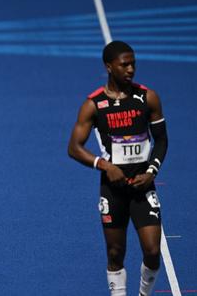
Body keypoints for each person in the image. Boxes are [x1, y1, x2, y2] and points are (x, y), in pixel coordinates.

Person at [68, 41, 168, 295]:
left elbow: (162, 140)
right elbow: (74, 147)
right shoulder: (94, 104)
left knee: (153, 251)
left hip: (143, 186)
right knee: (115, 253)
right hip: (113, 189)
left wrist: (151, 172)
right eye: (124, 64)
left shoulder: (148, 98)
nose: (131, 69)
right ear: (109, 67)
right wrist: (104, 166)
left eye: (133, 63)